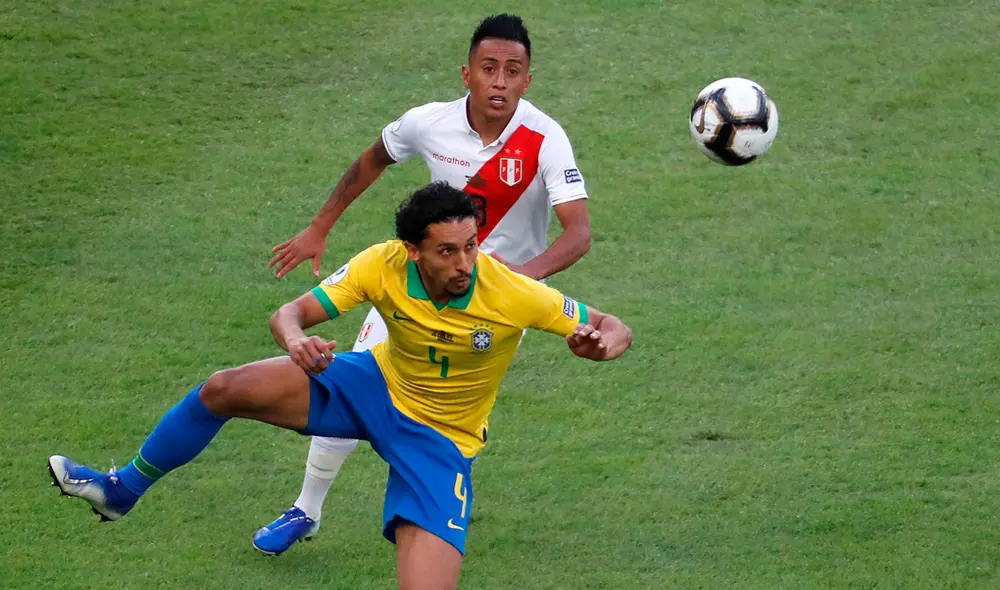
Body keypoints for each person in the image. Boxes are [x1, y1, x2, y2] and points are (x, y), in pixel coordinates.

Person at [48, 183, 632, 590]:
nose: (464, 263)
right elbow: (289, 312)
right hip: (374, 383)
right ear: (413, 252)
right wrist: (296, 339)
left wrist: (600, 344)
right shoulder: (381, 264)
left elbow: (614, 326)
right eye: (447, 251)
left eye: (471, 246)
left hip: (440, 438)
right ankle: (122, 490)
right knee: (223, 389)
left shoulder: (510, 290)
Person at [260, 13, 593, 554]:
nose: (500, 82)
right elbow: (371, 161)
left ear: (528, 80)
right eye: (490, 69)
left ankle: (433, 509)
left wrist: (512, 284)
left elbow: (577, 233)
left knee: (433, 418)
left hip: (493, 310)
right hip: (415, 289)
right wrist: (319, 227)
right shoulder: (427, 123)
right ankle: (306, 508)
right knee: (357, 384)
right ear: (468, 74)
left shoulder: (545, 139)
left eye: (513, 71)